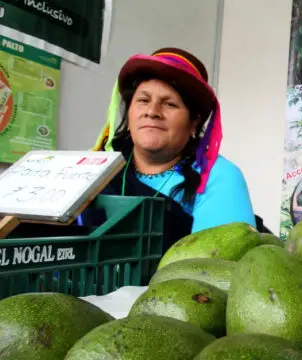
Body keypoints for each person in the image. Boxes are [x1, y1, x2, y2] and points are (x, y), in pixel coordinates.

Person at [90, 47, 259, 251]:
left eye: (169, 104)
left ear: (193, 123)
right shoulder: (98, 166)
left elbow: (214, 269)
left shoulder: (218, 177)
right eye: (143, 100)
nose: (152, 112)